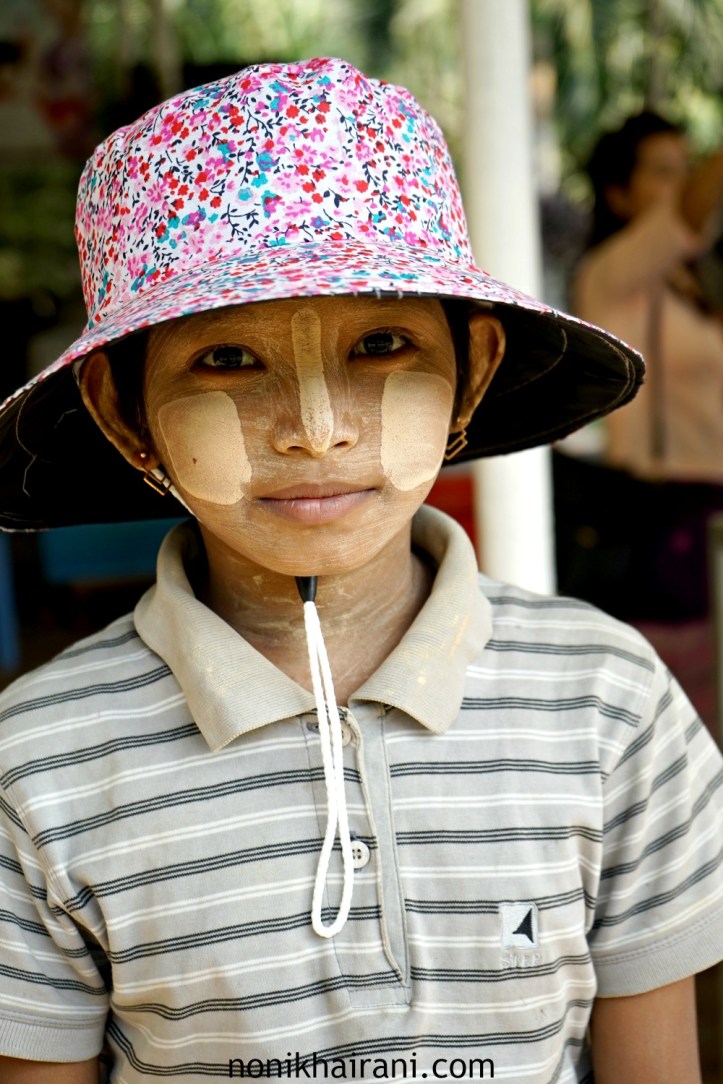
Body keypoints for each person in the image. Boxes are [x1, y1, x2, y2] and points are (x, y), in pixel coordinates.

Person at [0, 58, 721, 1084]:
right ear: (125, 413)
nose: (318, 431)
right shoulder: (38, 766)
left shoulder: (612, 707)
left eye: (381, 343)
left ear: (470, 369)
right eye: (226, 360)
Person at [556, 110, 723, 620]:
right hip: (664, 508)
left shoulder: (691, 282)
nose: (684, 183)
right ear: (618, 194)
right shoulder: (609, 273)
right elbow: (688, 213)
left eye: (686, 167)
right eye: (663, 171)